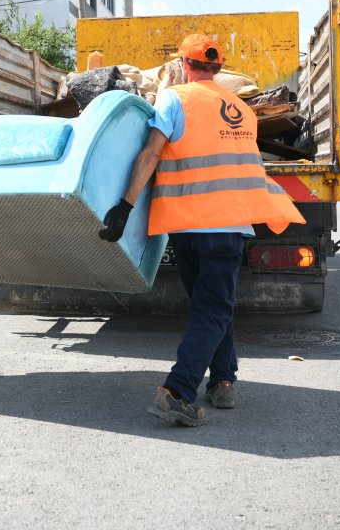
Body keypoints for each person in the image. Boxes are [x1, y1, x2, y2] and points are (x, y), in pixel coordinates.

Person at [98, 34, 305, 426]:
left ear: (184, 65)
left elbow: (151, 153)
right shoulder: (243, 110)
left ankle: (223, 380)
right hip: (227, 226)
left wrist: (124, 206)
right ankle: (177, 390)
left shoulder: (175, 98)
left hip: (186, 225)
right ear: (218, 69)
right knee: (214, 308)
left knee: (210, 307)